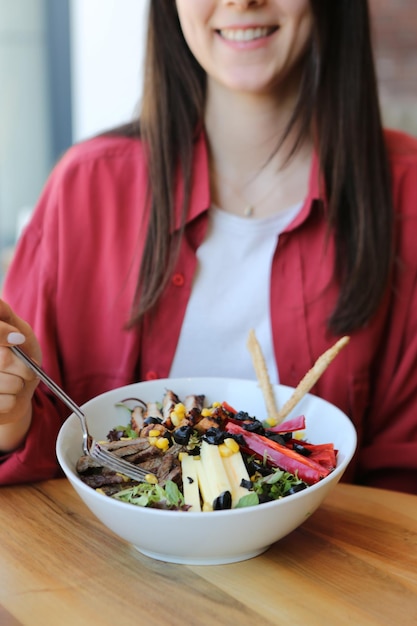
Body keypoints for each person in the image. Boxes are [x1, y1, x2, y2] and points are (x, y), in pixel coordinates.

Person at [0, 0, 416, 492]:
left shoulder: (404, 192)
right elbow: (45, 435)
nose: (242, 1)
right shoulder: (86, 186)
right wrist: (12, 416)